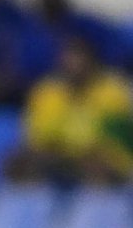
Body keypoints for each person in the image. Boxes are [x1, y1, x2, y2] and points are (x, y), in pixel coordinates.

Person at [12, 33, 133, 182]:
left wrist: (80, 153)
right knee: (17, 163)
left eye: (79, 59)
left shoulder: (113, 92)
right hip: (59, 157)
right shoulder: (46, 92)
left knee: (97, 164)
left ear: (93, 61)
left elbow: (116, 141)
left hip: (102, 158)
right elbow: (39, 139)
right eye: (68, 59)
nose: (73, 66)